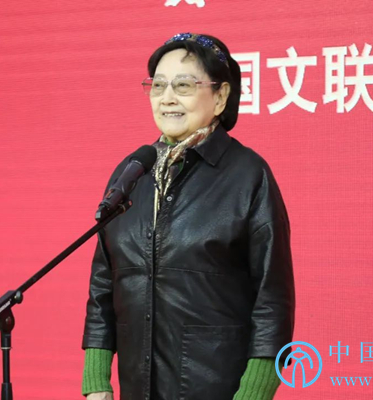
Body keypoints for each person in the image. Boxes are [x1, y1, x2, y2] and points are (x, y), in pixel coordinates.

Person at [82, 33, 295, 400]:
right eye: (158, 85)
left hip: (218, 388)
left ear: (221, 96)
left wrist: (254, 394)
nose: (167, 98)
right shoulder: (132, 173)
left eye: (183, 85)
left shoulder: (248, 176)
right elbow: (104, 282)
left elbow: (273, 300)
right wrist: (97, 380)